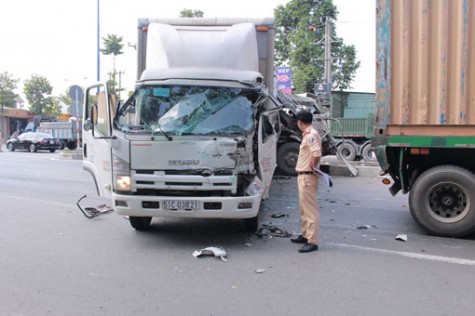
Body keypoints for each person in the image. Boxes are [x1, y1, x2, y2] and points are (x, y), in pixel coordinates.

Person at [291, 110, 322, 253]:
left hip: (308, 176)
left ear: (300, 122)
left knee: (310, 210)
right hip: (304, 175)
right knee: (304, 208)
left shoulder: (311, 135)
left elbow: (316, 153)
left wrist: (313, 166)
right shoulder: (309, 134)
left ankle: (312, 241)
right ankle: (305, 235)